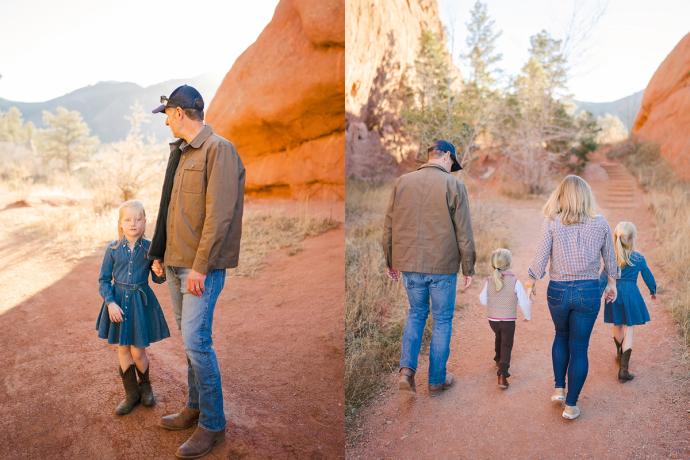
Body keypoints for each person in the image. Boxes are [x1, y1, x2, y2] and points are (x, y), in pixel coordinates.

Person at [149, 85, 245, 458]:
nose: (166, 123)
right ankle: (195, 406)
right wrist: (160, 254)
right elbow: (172, 208)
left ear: (178, 113)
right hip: (176, 263)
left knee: (197, 342)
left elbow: (219, 217)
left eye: (167, 116)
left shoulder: (218, 150)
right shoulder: (183, 152)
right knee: (190, 344)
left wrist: (201, 267)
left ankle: (213, 425)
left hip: (198, 269)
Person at [382, 140, 476, 396]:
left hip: (410, 264)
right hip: (442, 266)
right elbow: (464, 232)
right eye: (451, 162)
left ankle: (406, 372)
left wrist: (390, 260)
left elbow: (389, 225)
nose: (451, 167)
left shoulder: (402, 182)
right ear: (445, 155)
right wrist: (468, 267)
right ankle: (436, 380)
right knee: (443, 320)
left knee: (416, 313)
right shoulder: (454, 185)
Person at [526, 175, 620, 420]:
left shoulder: (552, 222)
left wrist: (531, 280)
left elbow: (540, 256)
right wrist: (612, 283)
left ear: (561, 195)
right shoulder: (600, 223)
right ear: (586, 195)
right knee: (579, 347)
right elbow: (611, 259)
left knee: (561, 335)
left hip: (557, 290)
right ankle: (571, 405)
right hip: (587, 290)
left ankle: (559, 388)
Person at [96, 200, 170, 415]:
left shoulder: (149, 248)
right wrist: (110, 303)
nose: (133, 224)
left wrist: (159, 271)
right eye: (128, 220)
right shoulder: (113, 249)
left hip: (139, 303)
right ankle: (131, 394)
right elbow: (103, 280)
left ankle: (145, 387)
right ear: (120, 223)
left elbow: (158, 279)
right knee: (123, 349)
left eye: (138, 219)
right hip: (117, 302)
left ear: (145, 222)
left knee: (138, 351)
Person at [599, 221, 656, 382]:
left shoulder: (611, 258)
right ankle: (624, 369)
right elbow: (648, 276)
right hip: (631, 295)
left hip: (614, 295)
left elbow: (603, 277)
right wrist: (653, 290)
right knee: (629, 328)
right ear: (632, 239)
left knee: (617, 324)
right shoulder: (638, 258)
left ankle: (619, 354)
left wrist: (599, 292)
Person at [478, 248, 531, 389]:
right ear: (509, 264)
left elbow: (482, 300)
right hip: (508, 321)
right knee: (507, 344)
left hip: (493, 320)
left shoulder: (489, 280)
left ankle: (497, 358)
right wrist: (527, 315)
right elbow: (524, 301)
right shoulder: (515, 281)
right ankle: (502, 374)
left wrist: (494, 301)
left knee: (498, 336)